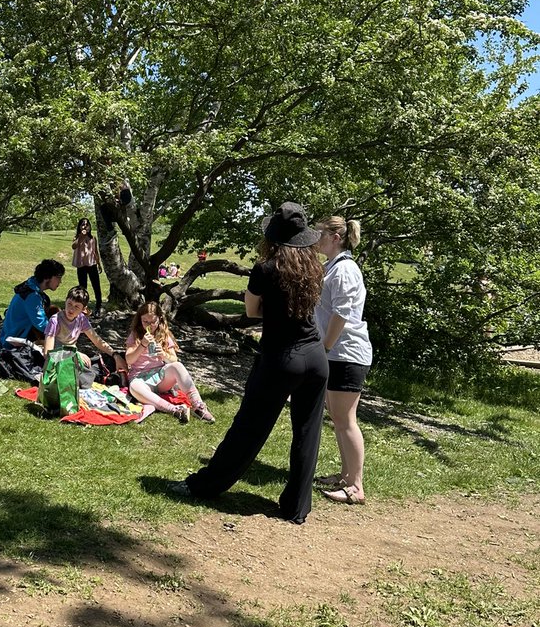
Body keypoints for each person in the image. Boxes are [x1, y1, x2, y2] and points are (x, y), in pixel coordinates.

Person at [171, 202, 328, 524]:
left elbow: (253, 311)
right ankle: (297, 507)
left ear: (272, 237)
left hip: (281, 357)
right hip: (316, 357)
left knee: (249, 427)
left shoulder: (266, 268)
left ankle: (203, 485)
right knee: (308, 431)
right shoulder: (315, 267)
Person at [314, 216, 372, 506]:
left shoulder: (345, 269)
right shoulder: (333, 267)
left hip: (346, 354)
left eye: (320, 233)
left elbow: (343, 313)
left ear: (336, 236)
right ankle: (346, 475)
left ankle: (356, 486)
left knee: (346, 420)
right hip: (336, 353)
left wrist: (325, 346)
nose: (316, 237)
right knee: (338, 419)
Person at [125, 300, 214, 422]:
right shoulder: (135, 334)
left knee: (177, 366)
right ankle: (174, 409)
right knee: (134, 387)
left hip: (159, 376)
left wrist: (163, 354)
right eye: (145, 321)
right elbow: (129, 360)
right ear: (140, 319)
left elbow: (173, 359)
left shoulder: (163, 335)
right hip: (140, 378)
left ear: (160, 319)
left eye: (153, 322)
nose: (149, 325)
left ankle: (198, 405)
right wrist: (142, 345)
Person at [44, 285, 124, 386]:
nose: (71, 309)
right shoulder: (55, 320)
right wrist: (74, 354)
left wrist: (115, 355)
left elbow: (97, 341)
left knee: (99, 360)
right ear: (65, 301)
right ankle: (102, 379)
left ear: (83, 309)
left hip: (74, 356)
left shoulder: (81, 319)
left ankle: (103, 376)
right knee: (77, 372)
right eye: (69, 304)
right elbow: (48, 353)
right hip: (58, 359)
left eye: (76, 306)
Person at [0, 259, 65, 346]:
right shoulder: (32, 296)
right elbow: (42, 324)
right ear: (47, 277)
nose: (60, 282)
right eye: (58, 277)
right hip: (14, 342)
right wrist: (64, 331)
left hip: (10, 336)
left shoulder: (30, 288)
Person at [71, 218, 104, 315]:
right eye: (82, 224)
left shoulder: (93, 238)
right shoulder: (77, 237)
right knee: (82, 287)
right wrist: (81, 236)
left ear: (89, 226)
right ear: (79, 227)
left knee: (96, 285)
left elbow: (95, 252)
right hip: (81, 266)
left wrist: (98, 264)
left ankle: (98, 306)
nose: (85, 226)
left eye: (87, 224)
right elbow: (74, 246)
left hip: (92, 265)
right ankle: (83, 307)